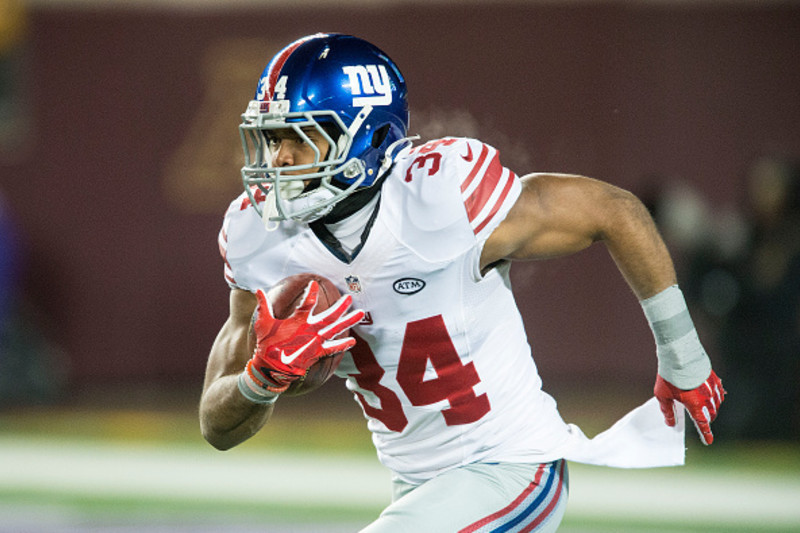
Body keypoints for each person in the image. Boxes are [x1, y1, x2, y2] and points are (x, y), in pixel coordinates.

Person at [199, 33, 725, 532]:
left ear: (367, 135)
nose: (279, 158)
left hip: (512, 467)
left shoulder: (439, 196)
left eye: (301, 136)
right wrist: (259, 381)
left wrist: (684, 358)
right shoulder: (259, 236)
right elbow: (216, 425)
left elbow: (614, 211)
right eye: (271, 137)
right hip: (419, 489)